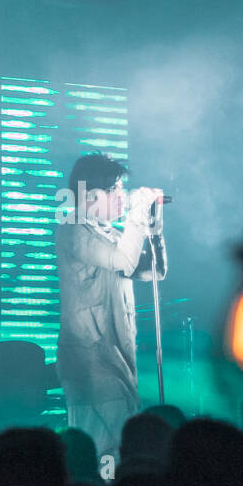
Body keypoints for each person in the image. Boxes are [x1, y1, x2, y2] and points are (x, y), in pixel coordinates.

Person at [55, 153, 167, 460]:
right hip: (89, 359)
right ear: (90, 195)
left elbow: (154, 271)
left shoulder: (111, 234)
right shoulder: (73, 230)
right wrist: (137, 216)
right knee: (104, 447)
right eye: (115, 189)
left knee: (121, 444)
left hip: (116, 357)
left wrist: (154, 231)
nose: (122, 196)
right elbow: (123, 260)